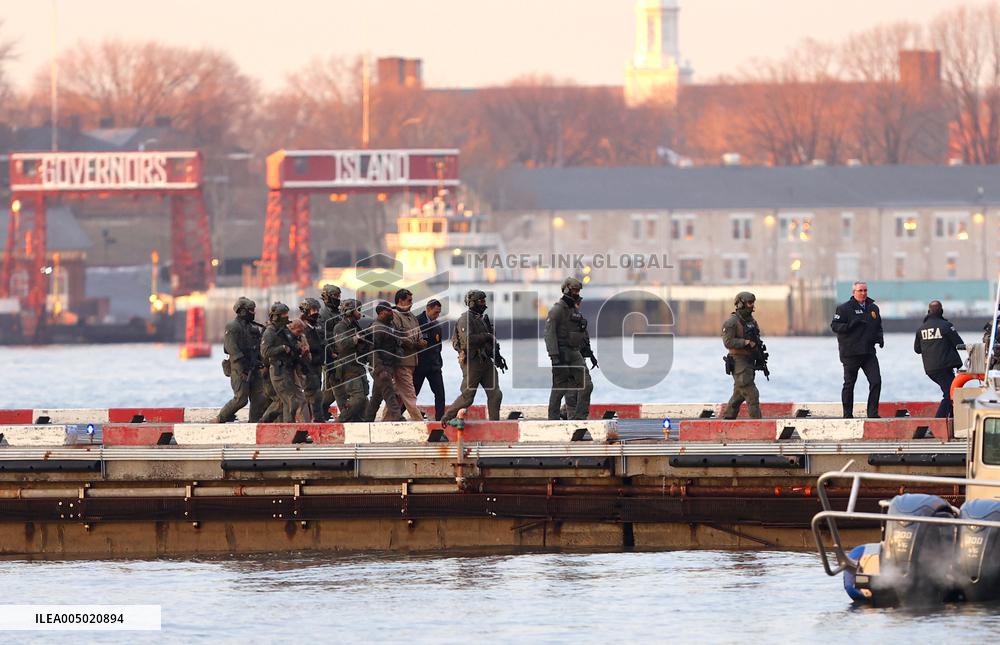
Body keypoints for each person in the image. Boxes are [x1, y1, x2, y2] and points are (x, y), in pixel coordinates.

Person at [440, 290, 503, 423]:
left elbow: (491, 340)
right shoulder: (465, 319)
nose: (484, 304)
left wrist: (497, 356)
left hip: (486, 361)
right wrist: (486, 336)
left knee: (496, 395)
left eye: (484, 301)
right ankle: (446, 419)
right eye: (481, 301)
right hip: (472, 361)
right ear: (472, 303)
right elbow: (468, 341)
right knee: (468, 397)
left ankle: (494, 424)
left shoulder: (482, 319)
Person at [831, 281, 884, 418]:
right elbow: (835, 326)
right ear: (854, 292)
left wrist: (880, 338)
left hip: (868, 353)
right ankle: (847, 415)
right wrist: (849, 326)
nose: (863, 293)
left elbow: (878, 326)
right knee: (849, 384)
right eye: (860, 290)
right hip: (851, 353)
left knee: (876, 381)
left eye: (865, 290)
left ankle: (872, 413)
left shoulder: (873, 308)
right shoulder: (844, 308)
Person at [545, 278, 594, 420]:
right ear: (566, 289)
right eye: (574, 290)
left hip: (574, 352)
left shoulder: (574, 310)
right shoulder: (557, 310)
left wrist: (587, 351)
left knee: (587, 384)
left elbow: (580, 332)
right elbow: (549, 334)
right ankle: (553, 419)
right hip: (561, 352)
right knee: (559, 388)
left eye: (578, 291)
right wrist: (554, 356)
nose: (577, 293)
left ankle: (579, 418)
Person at [216, 297, 268, 423]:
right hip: (239, 368)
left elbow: (258, 346)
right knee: (241, 398)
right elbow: (231, 348)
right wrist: (244, 368)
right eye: (251, 310)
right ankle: (221, 417)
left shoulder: (253, 328)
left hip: (254, 366)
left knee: (259, 398)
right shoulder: (233, 327)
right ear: (243, 311)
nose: (253, 313)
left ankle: (254, 422)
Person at [914, 300, 965, 418]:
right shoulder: (946, 326)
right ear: (941, 311)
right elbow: (959, 344)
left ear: (928, 312)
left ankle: (953, 419)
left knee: (953, 392)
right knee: (949, 394)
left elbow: (917, 349)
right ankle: (938, 422)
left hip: (931, 370)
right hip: (944, 368)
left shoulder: (921, 329)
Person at [260, 302, 308, 422]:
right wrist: (281, 348)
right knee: (291, 401)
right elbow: (265, 352)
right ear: (276, 316)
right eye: (283, 315)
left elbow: (292, 344)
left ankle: (274, 424)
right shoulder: (270, 332)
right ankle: (287, 426)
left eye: (287, 314)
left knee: (287, 402)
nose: (286, 317)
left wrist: (299, 348)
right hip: (278, 370)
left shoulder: (284, 330)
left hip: (288, 369)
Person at [721, 291, 763, 419]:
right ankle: (758, 425)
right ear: (740, 304)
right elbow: (728, 342)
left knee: (739, 394)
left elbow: (757, 340)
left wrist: (760, 355)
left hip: (750, 361)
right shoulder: (732, 323)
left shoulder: (752, 322)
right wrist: (745, 342)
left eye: (753, 303)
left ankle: (728, 418)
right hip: (739, 361)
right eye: (749, 303)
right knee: (752, 393)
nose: (752, 306)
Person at [390, 288, 427, 421]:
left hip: (412, 362)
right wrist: (416, 344)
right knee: (409, 394)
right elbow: (399, 337)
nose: (411, 303)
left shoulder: (411, 316)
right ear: (400, 301)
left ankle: (386, 422)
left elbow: (419, 336)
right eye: (409, 300)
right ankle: (420, 423)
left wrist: (421, 342)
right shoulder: (394, 316)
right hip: (401, 362)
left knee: (397, 397)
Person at [365, 301, 404, 422]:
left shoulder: (390, 326)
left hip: (389, 366)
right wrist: (380, 369)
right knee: (389, 393)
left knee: (377, 397)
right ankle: (398, 417)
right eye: (389, 311)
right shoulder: (376, 328)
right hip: (381, 367)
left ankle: (367, 419)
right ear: (381, 312)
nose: (392, 312)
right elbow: (372, 351)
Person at [332, 299, 370, 422]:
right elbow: (342, 344)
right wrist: (356, 339)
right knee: (358, 397)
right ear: (349, 311)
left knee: (364, 398)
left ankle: (359, 422)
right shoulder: (340, 327)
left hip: (358, 365)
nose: (360, 313)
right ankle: (340, 421)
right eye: (358, 310)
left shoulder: (355, 325)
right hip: (347, 366)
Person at [563, 298, 598, 418]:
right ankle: (574, 417)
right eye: (577, 303)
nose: (578, 305)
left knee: (578, 388)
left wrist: (591, 355)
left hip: (580, 357)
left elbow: (583, 338)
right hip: (570, 358)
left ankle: (568, 413)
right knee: (575, 389)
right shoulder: (566, 318)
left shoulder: (578, 318)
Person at [414, 299, 446, 421]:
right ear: (428, 309)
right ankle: (398, 416)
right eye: (435, 312)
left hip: (434, 366)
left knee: (440, 394)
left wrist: (438, 363)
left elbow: (439, 346)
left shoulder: (437, 325)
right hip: (420, 367)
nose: (437, 315)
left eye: (439, 313)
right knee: (413, 395)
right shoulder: (417, 322)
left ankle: (440, 420)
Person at [318, 284, 347, 421]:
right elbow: (323, 336)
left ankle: (321, 409)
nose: (338, 299)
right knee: (336, 386)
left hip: (341, 354)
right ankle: (319, 409)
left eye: (339, 296)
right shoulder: (323, 315)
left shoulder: (339, 312)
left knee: (331, 390)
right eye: (335, 296)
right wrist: (331, 353)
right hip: (331, 356)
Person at [298, 297, 326, 422]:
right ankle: (312, 419)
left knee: (317, 392)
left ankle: (317, 418)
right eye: (313, 310)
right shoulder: (300, 326)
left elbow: (322, 342)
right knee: (312, 394)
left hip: (318, 364)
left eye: (317, 310)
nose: (316, 313)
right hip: (308, 366)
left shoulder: (317, 326)